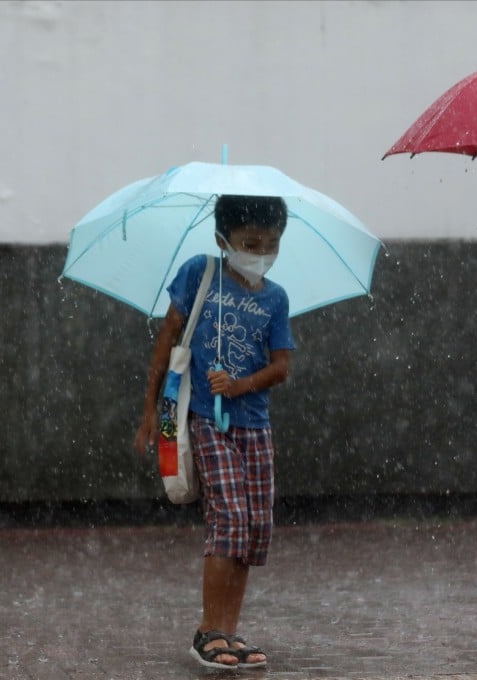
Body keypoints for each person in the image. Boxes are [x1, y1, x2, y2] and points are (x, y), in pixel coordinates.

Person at [134, 194, 295, 670]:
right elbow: (168, 338)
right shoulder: (199, 274)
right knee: (228, 516)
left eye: (271, 244)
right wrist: (151, 412)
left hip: (254, 425)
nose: (260, 252)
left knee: (253, 527)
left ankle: (228, 628)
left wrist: (243, 383)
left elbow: (282, 365)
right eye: (249, 242)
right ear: (222, 239)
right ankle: (208, 631)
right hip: (207, 419)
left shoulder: (275, 298)